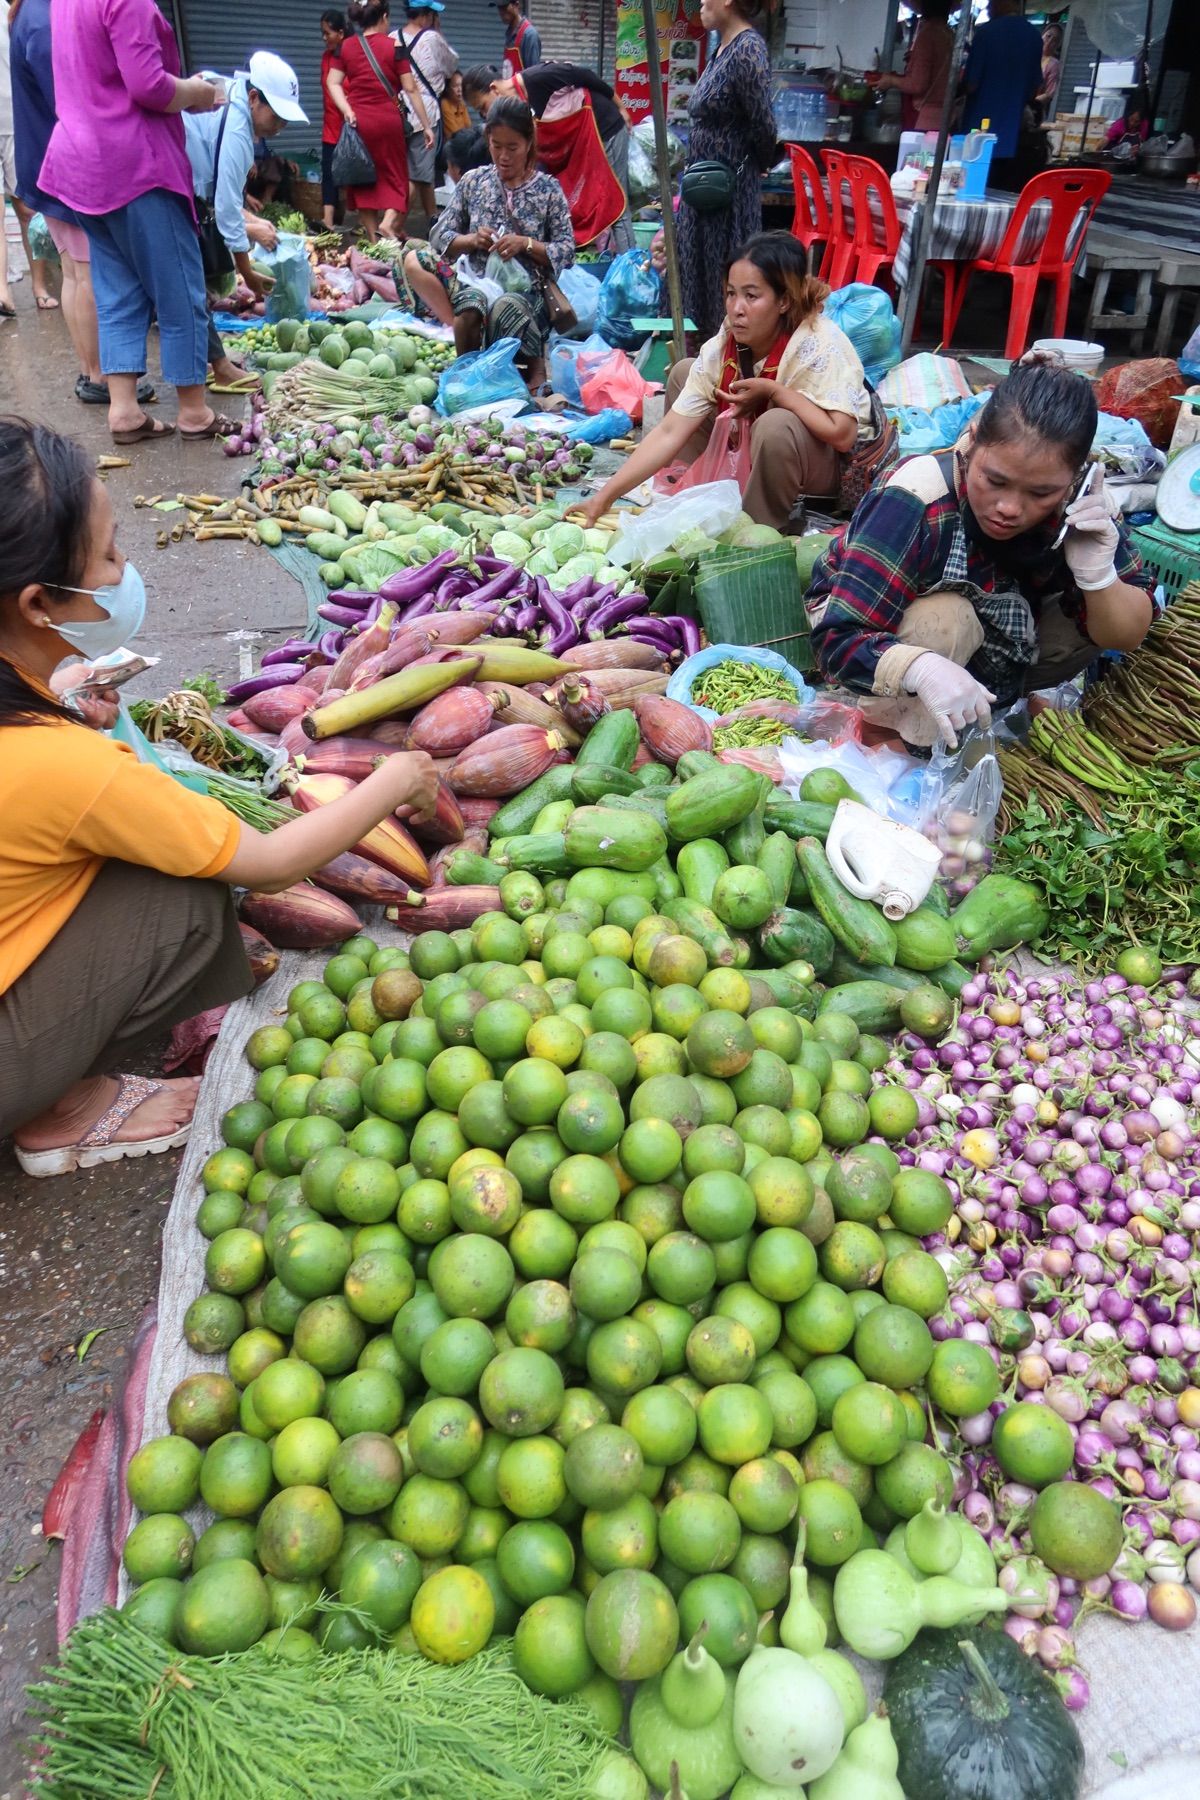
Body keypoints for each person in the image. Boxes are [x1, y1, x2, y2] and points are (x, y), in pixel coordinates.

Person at [0, 418, 439, 1178]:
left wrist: (59, 699)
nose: (124, 567)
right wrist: (396, 778)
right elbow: (267, 864)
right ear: (38, 604)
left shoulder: (31, 714)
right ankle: (61, 1113)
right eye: (108, 554)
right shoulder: (67, 766)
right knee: (190, 897)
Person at [807, 360, 1155, 749]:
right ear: (972, 442)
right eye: (995, 480)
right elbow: (837, 640)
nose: (1009, 507)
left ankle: (992, 702)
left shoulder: (1083, 505)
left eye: (1040, 493)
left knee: (1097, 607)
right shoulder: (915, 495)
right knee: (946, 621)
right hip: (886, 632)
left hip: (1009, 636)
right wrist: (920, 668)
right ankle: (891, 741)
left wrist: (1098, 576)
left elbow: (1127, 634)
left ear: (1075, 477)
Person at [583, 233, 870, 532]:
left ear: (784, 301)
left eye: (751, 296)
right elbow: (669, 431)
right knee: (684, 373)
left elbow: (843, 434)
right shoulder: (729, 341)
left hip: (830, 466)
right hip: (760, 445)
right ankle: (693, 497)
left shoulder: (818, 342)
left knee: (775, 424)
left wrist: (773, 392)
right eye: (731, 293)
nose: (737, 308)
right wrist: (604, 497)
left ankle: (757, 528)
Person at [38, 0, 231, 445]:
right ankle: (194, 411)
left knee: (118, 289)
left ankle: (124, 409)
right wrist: (199, 94)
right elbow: (150, 88)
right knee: (179, 290)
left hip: (82, 161)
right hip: (134, 163)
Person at [8, 0, 153, 406]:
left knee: (74, 271)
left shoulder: (30, 13)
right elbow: (72, 97)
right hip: (68, 161)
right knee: (90, 273)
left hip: (48, 159)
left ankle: (92, 371)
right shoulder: (44, 20)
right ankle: (103, 376)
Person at [413, 95, 574, 387]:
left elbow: (566, 249)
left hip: (528, 293)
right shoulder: (474, 181)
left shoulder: (548, 190)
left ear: (529, 143)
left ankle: (521, 373)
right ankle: (468, 372)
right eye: (496, 146)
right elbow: (440, 237)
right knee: (467, 301)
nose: (503, 156)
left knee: (506, 304)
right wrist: (472, 240)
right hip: (476, 282)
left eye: (512, 147)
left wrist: (526, 244)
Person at [185, 53, 308, 388]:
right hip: (166, 191)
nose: (281, 127)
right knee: (187, 289)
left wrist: (248, 220)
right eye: (277, 116)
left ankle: (213, 365)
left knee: (188, 290)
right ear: (254, 98)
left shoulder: (229, 92)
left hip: (180, 190)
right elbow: (224, 208)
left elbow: (223, 199)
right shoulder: (238, 130)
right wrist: (247, 270)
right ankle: (208, 375)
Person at [676, 0, 777, 341]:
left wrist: (751, 168)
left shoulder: (748, 49)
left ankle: (728, 362)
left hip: (727, 195)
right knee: (699, 279)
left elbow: (764, 124)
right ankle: (701, 360)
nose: (701, 2)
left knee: (727, 279)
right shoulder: (721, 48)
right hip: (703, 194)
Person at [463, 62, 633, 251]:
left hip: (606, 128)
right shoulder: (519, 112)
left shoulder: (538, 77)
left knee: (615, 200)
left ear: (494, 89)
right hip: (580, 144)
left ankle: (633, 270)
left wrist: (621, 107)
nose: (486, 115)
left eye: (484, 107)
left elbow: (585, 75)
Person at [327, 0, 434, 242]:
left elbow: (332, 82)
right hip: (388, 121)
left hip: (359, 123)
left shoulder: (345, 47)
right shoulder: (395, 45)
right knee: (397, 176)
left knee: (363, 179)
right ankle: (387, 223)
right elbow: (410, 88)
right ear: (384, 17)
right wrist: (426, 126)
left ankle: (375, 243)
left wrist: (346, 109)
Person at [1, 5, 54, 317]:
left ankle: (39, 285)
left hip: (15, 120)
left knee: (28, 209)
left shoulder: (12, 12)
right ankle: (3, 290)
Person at [963, 0, 1044, 189]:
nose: (988, 7)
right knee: (1002, 195)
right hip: (1013, 136)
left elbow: (971, 85)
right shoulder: (1034, 36)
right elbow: (1034, 89)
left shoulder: (986, 33)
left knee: (972, 190)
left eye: (991, 2)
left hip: (978, 135)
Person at [400, 2, 458, 225]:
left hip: (400, 109)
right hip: (424, 112)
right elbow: (451, 65)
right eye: (433, 15)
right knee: (419, 172)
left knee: (414, 170)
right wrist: (439, 32)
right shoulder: (432, 38)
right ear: (425, 15)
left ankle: (432, 217)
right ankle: (391, 225)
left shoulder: (395, 36)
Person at [867, 0, 955, 132]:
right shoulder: (948, 33)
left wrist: (891, 80)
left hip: (924, 120)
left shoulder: (928, 34)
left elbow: (917, 84)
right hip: (944, 116)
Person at [320, 9, 346, 230]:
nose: (324, 37)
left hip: (350, 128)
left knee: (356, 175)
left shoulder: (352, 57)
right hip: (330, 127)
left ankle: (353, 217)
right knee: (328, 174)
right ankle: (327, 221)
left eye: (327, 33)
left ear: (341, 32)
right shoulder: (326, 58)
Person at [497, 0, 541, 80]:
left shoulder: (529, 35)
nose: (501, 12)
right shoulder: (509, 33)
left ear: (516, 5)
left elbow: (534, 76)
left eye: (504, 7)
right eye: (499, 8)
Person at [1038, 23, 1064, 115]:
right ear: (1042, 35)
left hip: (1034, 111)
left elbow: (1049, 94)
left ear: (1057, 45)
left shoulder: (1053, 64)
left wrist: (1029, 103)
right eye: (1048, 36)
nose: (1049, 42)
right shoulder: (1029, 55)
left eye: (1055, 40)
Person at [441, 68, 471, 141]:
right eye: (455, 86)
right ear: (447, 88)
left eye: (461, 85)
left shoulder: (461, 104)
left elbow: (469, 127)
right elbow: (455, 133)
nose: (459, 90)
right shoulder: (445, 104)